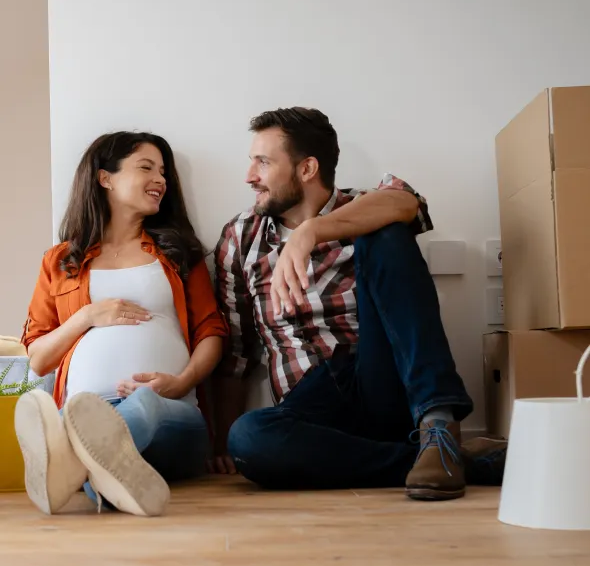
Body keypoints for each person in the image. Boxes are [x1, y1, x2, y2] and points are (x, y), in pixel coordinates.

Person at [213, 107, 506, 500]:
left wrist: (309, 233)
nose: (249, 176)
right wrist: (220, 446)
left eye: (263, 163)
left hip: (377, 375)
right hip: (311, 407)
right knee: (249, 438)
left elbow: (406, 203)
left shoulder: (367, 205)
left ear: (307, 168)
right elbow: (236, 352)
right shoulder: (241, 236)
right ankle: (443, 459)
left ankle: (438, 423)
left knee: (385, 233)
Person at [16, 132, 228, 517]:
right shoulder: (60, 260)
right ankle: (104, 477)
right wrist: (86, 317)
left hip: (171, 412)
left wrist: (180, 383)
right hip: (85, 406)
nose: (161, 180)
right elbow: (38, 360)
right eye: (146, 168)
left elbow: (211, 332)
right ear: (105, 178)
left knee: (144, 404)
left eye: (163, 171)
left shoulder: (179, 251)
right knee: (83, 429)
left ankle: (69, 467)